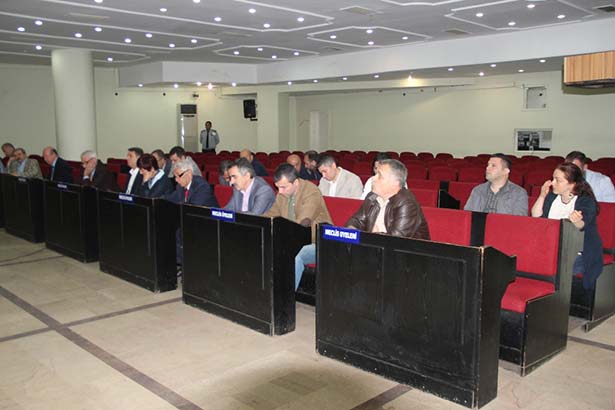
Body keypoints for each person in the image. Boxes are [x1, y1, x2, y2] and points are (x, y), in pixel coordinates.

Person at [531, 163, 603, 291]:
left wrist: (577, 221)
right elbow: (536, 216)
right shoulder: (552, 196)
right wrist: (542, 195)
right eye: (553, 178)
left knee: (561, 270)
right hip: (552, 248)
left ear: (572, 184)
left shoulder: (585, 200)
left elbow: (582, 226)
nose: (553, 183)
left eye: (558, 180)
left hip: (578, 251)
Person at [264, 163, 332, 290]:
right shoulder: (282, 194)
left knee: (295, 254)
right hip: (292, 238)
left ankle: (285, 297)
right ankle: (267, 292)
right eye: (278, 187)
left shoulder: (311, 192)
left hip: (318, 242)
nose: (280, 191)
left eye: (283, 187)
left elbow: (303, 223)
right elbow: (271, 215)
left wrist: (282, 239)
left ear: (295, 183)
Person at [347, 159, 430, 239]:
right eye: (375, 174)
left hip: (406, 248)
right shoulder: (372, 197)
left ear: (395, 183)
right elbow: (356, 220)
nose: (373, 178)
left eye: (380, 176)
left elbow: (396, 240)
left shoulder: (407, 203)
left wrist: (365, 236)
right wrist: (351, 231)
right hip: (374, 245)